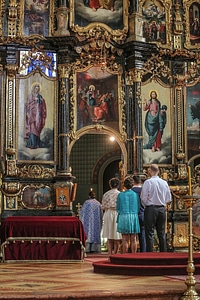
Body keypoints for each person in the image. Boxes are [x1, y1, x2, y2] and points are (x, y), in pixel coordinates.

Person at [140, 164, 172, 252]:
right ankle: (163, 253)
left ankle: (150, 253)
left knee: (149, 232)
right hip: (162, 209)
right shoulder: (164, 182)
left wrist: (147, 205)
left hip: (151, 209)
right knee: (161, 233)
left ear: (150, 171)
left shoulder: (148, 182)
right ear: (158, 171)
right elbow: (169, 198)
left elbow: (143, 197)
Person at [116, 176, 140, 253]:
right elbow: (138, 206)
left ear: (124, 185)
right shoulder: (135, 195)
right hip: (133, 216)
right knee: (133, 239)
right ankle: (134, 256)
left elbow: (118, 208)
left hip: (123, 217)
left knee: (125, 239)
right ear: (132, 185)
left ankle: (125, 256)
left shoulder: (120, 195)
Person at [101, 178, 122, 255]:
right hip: (117, 213)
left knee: (109, 236)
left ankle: (110, 254)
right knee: (117, 236)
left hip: (109, 213)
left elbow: (103, 207)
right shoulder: (120, 194)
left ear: (110, 185)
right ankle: (116, 253)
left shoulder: (106, 194)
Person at [24, 83, 47, 149]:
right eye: (36, 89)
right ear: (33, 89)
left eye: (38, 89)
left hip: (38, 115)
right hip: (32, 115)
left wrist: (41, 101)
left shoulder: (40, 97)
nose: (37, 90)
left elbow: (43, 106)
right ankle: (32, 144)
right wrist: (28, 112)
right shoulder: (30, 96)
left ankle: (36, 144)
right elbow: (27, 105)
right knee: (32, 129)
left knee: (37, 128)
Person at [132, 175, 146, 252]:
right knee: (142, 234)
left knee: (133, 235)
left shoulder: (131, 191)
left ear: (133, 181)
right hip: (142, 213)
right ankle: (143, 252)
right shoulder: (143, 190)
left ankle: (132, 253)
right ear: (140, 181)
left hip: (133, 215)